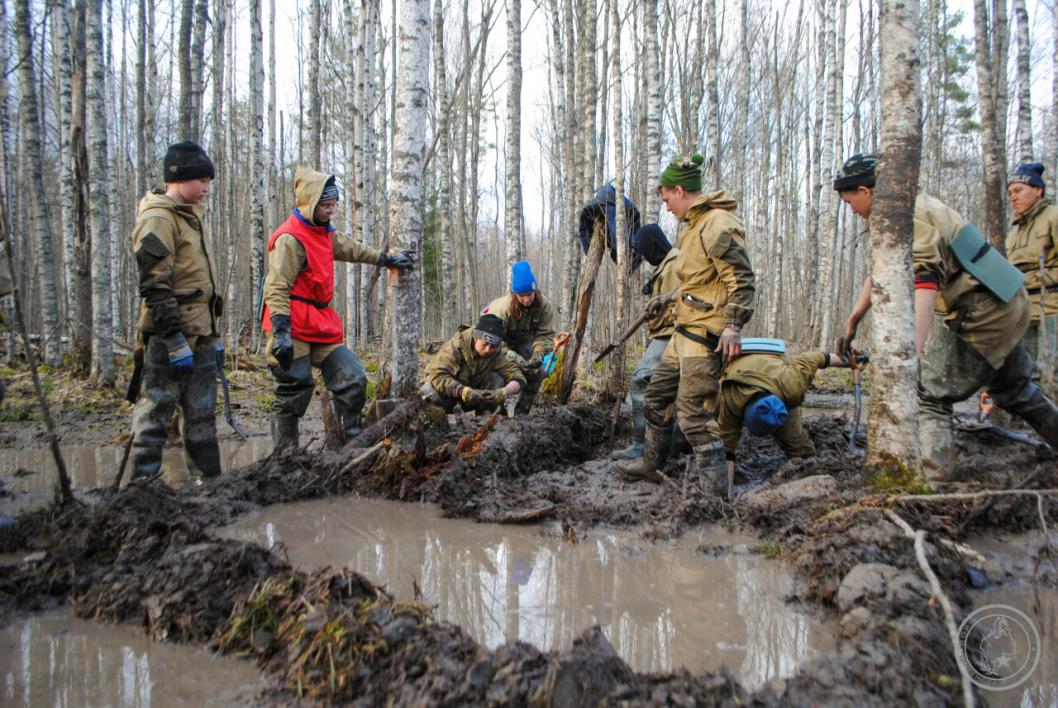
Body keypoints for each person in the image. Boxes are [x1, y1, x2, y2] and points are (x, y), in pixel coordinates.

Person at [834, 153, 1058, 477]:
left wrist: (914, 351)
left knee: (929, 392)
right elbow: (882, 268)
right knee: (1017, 392)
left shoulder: (912, 216)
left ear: (866, 192)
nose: (850, 209)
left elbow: (925, 282)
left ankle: (936, 479)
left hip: (987, 311)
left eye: (848, 200)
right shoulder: (905, 210)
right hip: (1008, 300)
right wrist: (855, 318)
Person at [618, 153, 756, 492]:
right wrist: (668, 298)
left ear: (680, 191)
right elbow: (699, 280)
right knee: (655, 397)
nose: (666, 207)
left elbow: (741, 278)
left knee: (694, 416)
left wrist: (733, 326)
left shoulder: (718, 223)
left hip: (705, 333)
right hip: (683, 329)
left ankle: (715, 496)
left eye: (667, 199)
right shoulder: (693, 227)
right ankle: (652, 464)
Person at [262, 166, 414, 452]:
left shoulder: (324, 233)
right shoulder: (289, 239)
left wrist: (386, 259)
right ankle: (285, 457)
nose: (332, 211)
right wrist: (281, 330)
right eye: (326, 205)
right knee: (294, 388)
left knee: (352, 375)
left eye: (334, 205)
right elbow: (277, 286)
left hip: (319, 322)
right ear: (310, 204)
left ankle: (349, 445)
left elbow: (353, 249)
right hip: (291, 324)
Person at [129, 140, 223, 480]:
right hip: (169, 336)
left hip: (201, 334)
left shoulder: (189, 217)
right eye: (203, 181)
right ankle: (143, 491)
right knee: (155, 413)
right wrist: (173, 340)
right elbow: (155, 285)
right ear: (181, 177)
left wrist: (213, 336)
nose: (206, 188)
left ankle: (210, 488)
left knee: (201, 416)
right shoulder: (157, 218)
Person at [717, 349, 854, 497]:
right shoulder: (729, 399)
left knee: (798, 446)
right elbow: (727, 451)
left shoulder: (792, 386)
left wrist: (849, 361)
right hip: (739, 366)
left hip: (779, 374)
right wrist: (727, 492)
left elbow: (818, 357)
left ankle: (809, 470)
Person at [613, 224, 681, 460]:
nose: (642, 257)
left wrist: (660, 311)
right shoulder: (665, 265)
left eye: (643, 250)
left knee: (641, 379)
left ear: (654, 245)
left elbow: (680, 305)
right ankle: (674, 445)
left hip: (672, 334)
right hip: (667, 332)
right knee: (673, 391)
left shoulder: (674, 265)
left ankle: (641, 444)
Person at [1005, 162, 1058, 395]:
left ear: (1038, 190)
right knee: (1028, 375)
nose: (1013, 197)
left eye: (1019, 190)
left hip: (1052, 309)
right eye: (1009, 193)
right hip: (1024, 311)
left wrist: (1030, 280)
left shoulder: (1054, 217)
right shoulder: (1014, 231)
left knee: (1052, 373)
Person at [481, 261, 556, 414]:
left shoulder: (544, 306)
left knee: (538, 371)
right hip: (498, 343)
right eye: (522, 296)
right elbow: (491, 340)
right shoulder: (502, 308)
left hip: (524, 341)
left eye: (529, 294)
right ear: (515, 294)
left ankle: (522, 412)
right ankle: (494, 411)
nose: (527, 300)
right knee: (497, 375)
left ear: (535, 290)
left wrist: (538, 352)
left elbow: (545, 334)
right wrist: (513, 357)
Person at [421, 313, 526, 413]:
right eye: (485, 344)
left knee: (496, 379)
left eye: (493, 346)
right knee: (429, 391)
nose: (488, 349)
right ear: (476, 338)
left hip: (479, 398)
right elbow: (437, 375)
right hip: (451, 394)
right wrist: (463, 391)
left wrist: (503, 392)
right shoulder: (455, 346)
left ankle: (486, 415)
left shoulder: (499, 352)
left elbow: (518, 378)